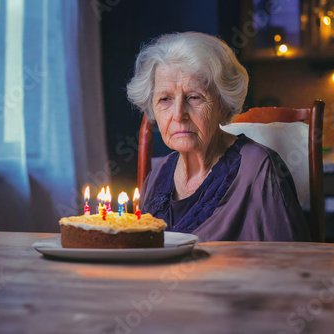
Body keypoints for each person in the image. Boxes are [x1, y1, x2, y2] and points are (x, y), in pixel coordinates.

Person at [126, 32, 310, 241]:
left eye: (194, 97)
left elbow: (290, 262)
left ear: (223, 105)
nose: (178, 115)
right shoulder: (157, 174)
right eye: (165, 99)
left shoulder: (259, 168)